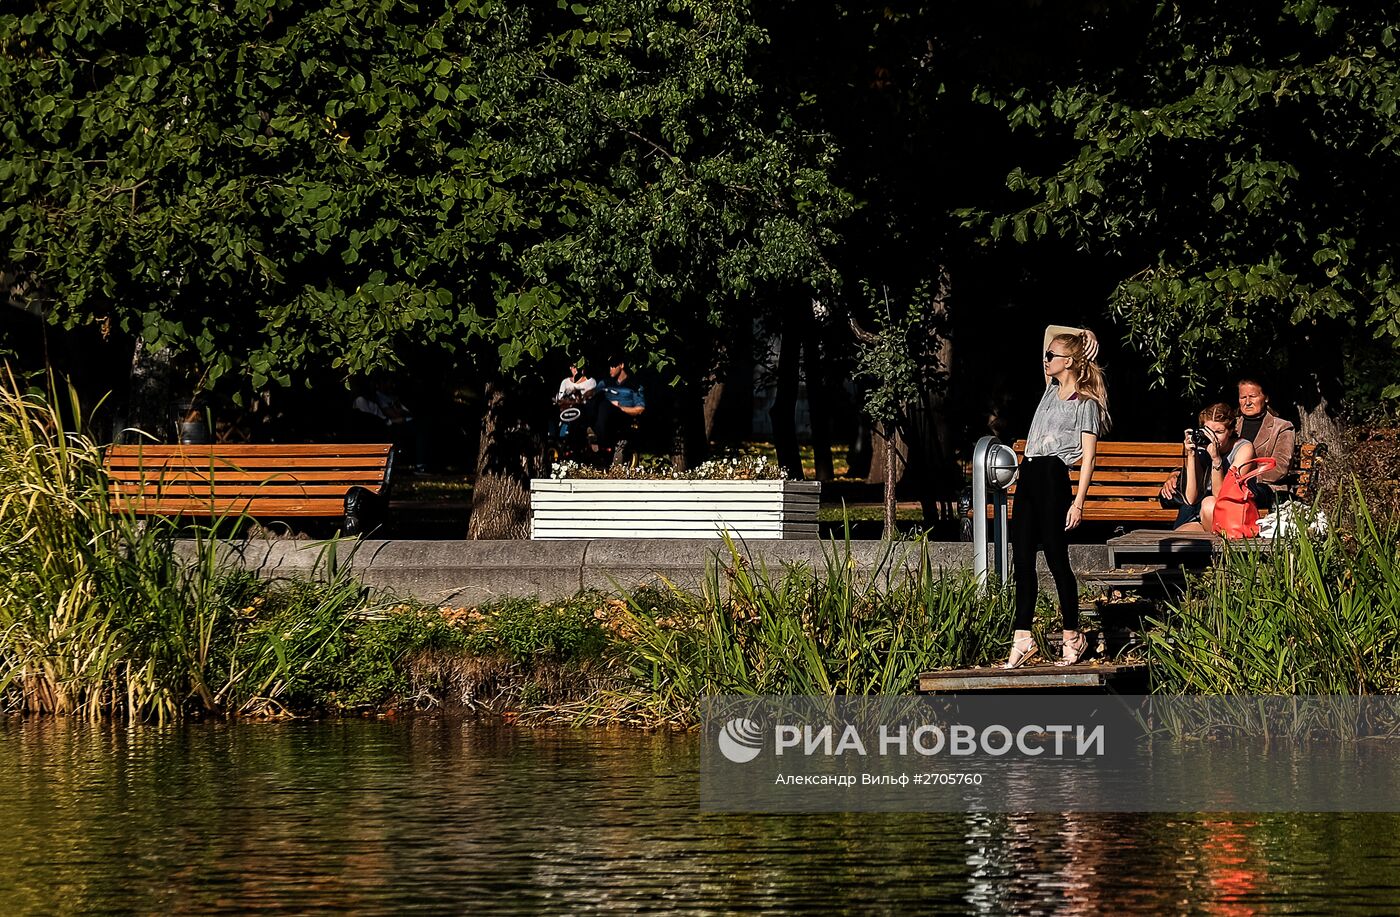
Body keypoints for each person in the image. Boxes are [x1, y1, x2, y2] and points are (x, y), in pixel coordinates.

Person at [1006, 327, 1110, 669]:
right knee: (1021, 558)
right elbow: (1049, 330)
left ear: (1070, 362)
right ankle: (1023, 636)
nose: (1046, 360)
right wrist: (1084, 332)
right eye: (1047, 354)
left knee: (1055, 557)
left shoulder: (1086, 403)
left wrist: (1078, 502)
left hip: (1054, 478)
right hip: (1029, 473)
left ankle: (1072, 634)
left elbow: (1090, 458)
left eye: (1052, 356)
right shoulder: (1049, 390)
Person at [1158, 377, 1294, 509]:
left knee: (1231, 496)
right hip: (1217, 484)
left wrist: (1242, 473)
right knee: (1187, 497)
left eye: (1252, 396)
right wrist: (1176, 475)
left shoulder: (1281, 427)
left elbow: (1280, 468)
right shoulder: (1227, 423)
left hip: (1260, 487)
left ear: (1266, 398)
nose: (1247, 402)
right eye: (1243, 397)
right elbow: (1205, 457)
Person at [1172, 403, 1255, 531]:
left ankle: (1218, 550)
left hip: (1234, 513)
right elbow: (1190, 498)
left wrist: (1216, 460)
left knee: (1209, 504)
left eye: (1219, 432)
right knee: (1179, 538)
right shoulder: (1202, 449)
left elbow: (1221, 496)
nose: (1213, 437)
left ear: (1231, 430)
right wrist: (1191, 455)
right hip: (1204, 515)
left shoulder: (1243, 448)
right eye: (1208, 432)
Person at [594, 353, 646, 462]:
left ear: (621, 365)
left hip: (622, 417)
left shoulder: (634, 385)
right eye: (609, 366)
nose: (610, 369)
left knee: (605, 405)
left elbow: (640, 409)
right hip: (601, 417)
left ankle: (601, 440)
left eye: (613, 366)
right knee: (593, 403)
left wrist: (620, 408)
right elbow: (592, 398)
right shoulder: (604, 383)